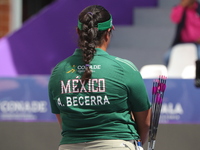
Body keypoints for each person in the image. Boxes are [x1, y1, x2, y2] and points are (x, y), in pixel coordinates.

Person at [48, 5, 151, 150]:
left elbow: (64, 123)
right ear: (109, 32)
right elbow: (145, 123)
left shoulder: (59, 71)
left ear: (78, 32)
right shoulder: (125, 68)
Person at [164, 0, 200, 66]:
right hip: (182, 42)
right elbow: (174, 19)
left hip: (198, 43)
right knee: (167, 57)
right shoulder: (180, 8)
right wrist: (181, 6)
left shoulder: (198, 8)